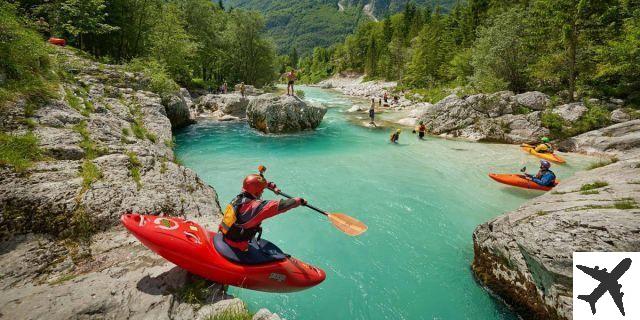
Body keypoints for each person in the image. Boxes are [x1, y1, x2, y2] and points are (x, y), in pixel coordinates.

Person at [219, 174, 306, 251]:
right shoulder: (255, 207)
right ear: (257, 191)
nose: (263, 191)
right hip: (238, 244)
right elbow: (281, 205)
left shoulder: (242, 195)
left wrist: (273, 187)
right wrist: (299, 200)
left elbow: (256, 183)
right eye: (262, 190)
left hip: (227, 234)